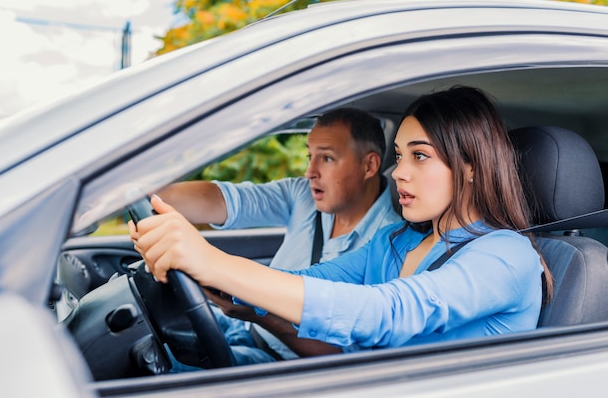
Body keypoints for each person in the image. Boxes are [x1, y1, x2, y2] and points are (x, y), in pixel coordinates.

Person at [131, 86, 553, 358]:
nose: (399, 172)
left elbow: (384, 314)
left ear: (473, 167)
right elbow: (309, 282)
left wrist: (214, 261)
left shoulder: (506, 255)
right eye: (400, 155)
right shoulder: (397, 241)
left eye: (419, 156)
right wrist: (224, 288)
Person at [155, 107, 402, 363]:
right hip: (241, 328)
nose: (310, 172)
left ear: (369, 165)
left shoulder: (392, 247)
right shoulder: (303, 195)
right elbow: (227, 201)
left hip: (279, 363)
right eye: (310, 156)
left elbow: (346, 359)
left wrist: (261, 313)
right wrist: (137, 192)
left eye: (326, 158)